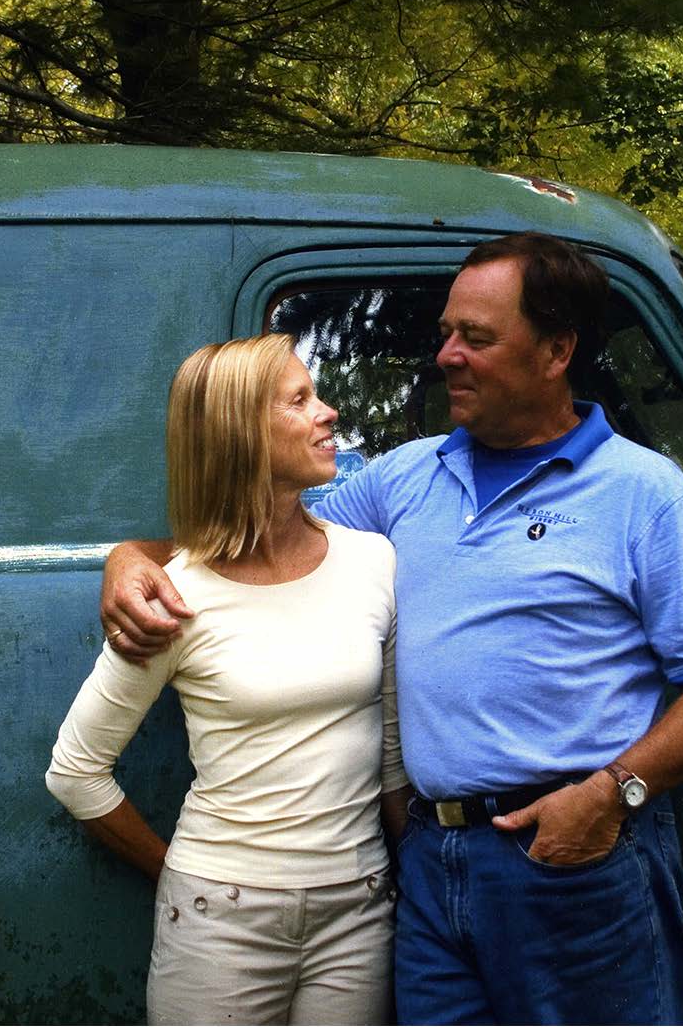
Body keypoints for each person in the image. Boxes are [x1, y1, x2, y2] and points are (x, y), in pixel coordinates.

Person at [98, 232, 683, 1025]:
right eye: (447, 332)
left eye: (476, 338)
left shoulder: (642, 491)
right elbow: (249, 545)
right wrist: (132, 557)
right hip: (428, 862)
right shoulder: (405, 476)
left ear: (556, 350)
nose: (446, 355)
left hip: (572, 856)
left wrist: (609, 795)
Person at [45, 333, 410, 1026]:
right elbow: (76, 772)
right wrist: (179, 877)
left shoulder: (372, 562)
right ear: (242, 432)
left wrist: (417, 881)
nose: (328, 413)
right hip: (219, 918)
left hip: (359, 914)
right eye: (301, 400)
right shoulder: (175, 595)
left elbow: (389, 758)